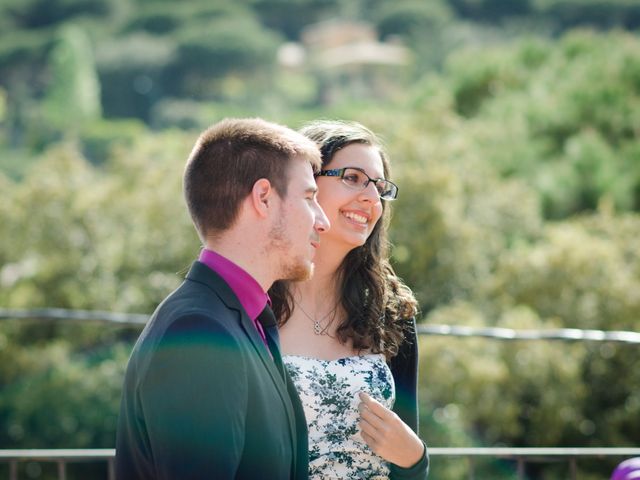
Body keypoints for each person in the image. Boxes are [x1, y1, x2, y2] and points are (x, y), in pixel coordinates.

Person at [116, 117, 330, 480]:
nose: (321, 221)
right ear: (263, 197)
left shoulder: (246, 319)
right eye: (309, 198)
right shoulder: (198, 330)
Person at [269, 120, 429, 479]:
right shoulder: (250, 302)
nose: (371, 198)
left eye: (379, 187)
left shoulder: (391, 311)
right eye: (352, 178)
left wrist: (417, 458)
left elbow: (408, 460)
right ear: (306, 183)